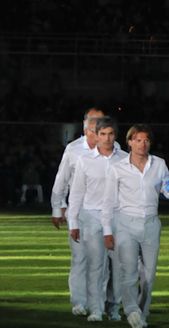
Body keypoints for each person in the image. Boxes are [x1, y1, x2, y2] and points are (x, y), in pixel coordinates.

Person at [102, 124, 169, 328]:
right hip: (125, 223)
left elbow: (166, 188)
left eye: (146, 140)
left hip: (151, 223)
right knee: (129, 272)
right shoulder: (117, 168)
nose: (143, 144)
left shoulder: (159, 164)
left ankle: (142, 310)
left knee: (149, 276)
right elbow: (108, 202)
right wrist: (107, 231)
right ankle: (132, 311)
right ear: (130, 142)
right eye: (138, 140)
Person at [67, 117, 127, 322]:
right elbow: (76, 194)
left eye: (111, 134)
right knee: (95, 265)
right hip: (91, 216)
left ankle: (114, 307)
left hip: (118, 218)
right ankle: (95, 309)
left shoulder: (125, 159)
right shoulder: (85, 161)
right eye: (103, 134)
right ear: (95, 135)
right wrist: (73, 222)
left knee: (119, 267)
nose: (107, 138)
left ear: (115, 136)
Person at [50, 107, 105, 316]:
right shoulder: (73, 149)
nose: (98, 125)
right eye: (94, 121)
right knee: (80, 257)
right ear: (85, 125)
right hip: (79, 210)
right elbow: (61, 180)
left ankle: (98, 303)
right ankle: (80, 302)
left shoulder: (114, 147)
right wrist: (58, 207)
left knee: (104, 261)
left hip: (106, 212)